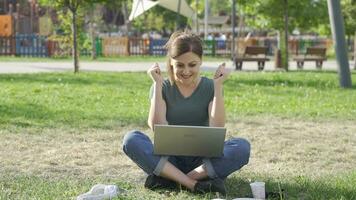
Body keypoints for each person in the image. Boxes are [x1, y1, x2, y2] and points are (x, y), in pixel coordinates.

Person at [122, 30, 250, 196]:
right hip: (169, 159)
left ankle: (172, 180)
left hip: (202, 162)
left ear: (200, 62)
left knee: (242, 147)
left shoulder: (211, 86)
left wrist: (218, 86)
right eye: (180, 65)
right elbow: (157, 126)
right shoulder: (162, 86)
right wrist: (158, 84)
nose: (186, 71)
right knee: (131, 140)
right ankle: (192, 184)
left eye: (192, 65)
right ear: (171, 63)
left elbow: (217, 126)